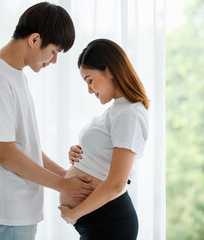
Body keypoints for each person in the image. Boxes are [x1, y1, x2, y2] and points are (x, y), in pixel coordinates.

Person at [0, 3, 94, 240]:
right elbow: (6, 154)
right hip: (8, 212)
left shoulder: (13, 75)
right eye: (54, 52)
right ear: (35, 40)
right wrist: (62, 185)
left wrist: (66, 176)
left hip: (16, 212)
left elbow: (25, 147)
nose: (54, 61)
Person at [58, 39, 149, 240]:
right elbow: (106, 156)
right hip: (101, 220)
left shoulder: (130, 113)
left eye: (90, 80)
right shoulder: (118, 110)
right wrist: (80, 154)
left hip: (110, 222)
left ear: (110, 70)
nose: (89, 90)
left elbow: (117, 183)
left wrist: (75, 213)